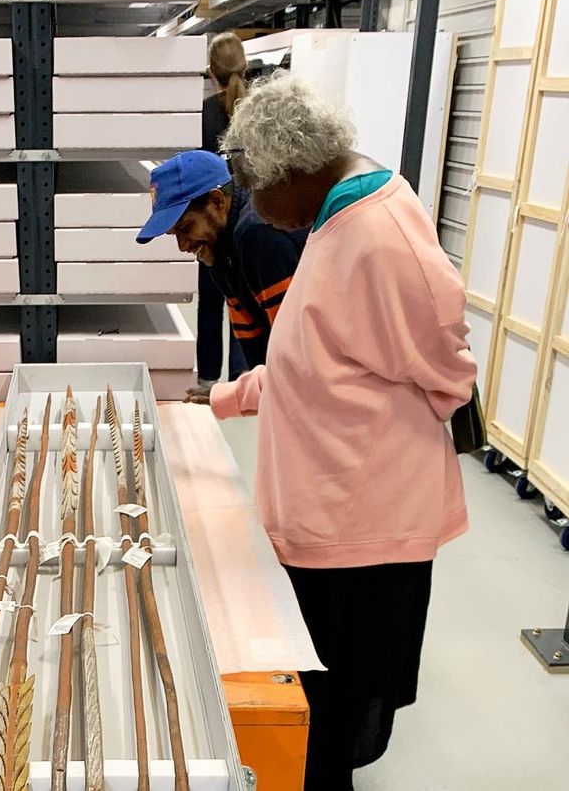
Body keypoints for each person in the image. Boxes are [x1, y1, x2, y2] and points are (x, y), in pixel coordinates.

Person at [214, 73, 477, 790]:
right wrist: (228, 397)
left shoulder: (379, 235)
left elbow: (447, 368)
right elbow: (321, 364)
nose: (256, 214)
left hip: (361, 537)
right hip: (332, 522)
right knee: (318, 714)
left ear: (292, 172)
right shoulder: (333, 225)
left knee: (329, 724)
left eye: (256, 193)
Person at [136, 150, 304, 378]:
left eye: (186, 228)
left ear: (216, 202)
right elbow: (254, 344)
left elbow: (296, 353)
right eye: (173, 234)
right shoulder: (220, 246)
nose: (182, 246)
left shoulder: (259, 235)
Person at [194, 32, 252, 393]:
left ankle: (208, 377)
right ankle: (242, 378)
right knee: (243, 302)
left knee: (211, 301)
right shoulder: (257, 112)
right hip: (248, 217)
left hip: (212, 221)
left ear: (211, 72)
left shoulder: (204, 115)